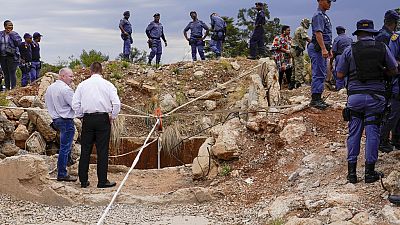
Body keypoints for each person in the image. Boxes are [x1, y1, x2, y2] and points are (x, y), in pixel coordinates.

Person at [337, 19, 398, 184]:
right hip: (375, 98)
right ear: (372, 34)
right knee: (372, 133)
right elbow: (394, 70)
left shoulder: (350, 50)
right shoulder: (382, 47)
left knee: (354, 132)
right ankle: (370, 173)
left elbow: (340, 75)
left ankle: (351, 174)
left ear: (358, 35)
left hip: (355, 99)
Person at [72, 62, 121, 188]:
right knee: (102, 151)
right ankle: (102, 181)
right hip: (103, 119)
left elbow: (75, 104)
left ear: (90, 71)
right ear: (101, 71)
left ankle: (83, 181)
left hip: (88, 119)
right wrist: (112, 116)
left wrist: (81, 115)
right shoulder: (108, 85)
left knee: (85, 150)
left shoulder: (83, 85)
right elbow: (116, 103)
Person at [45, 68, 77, 182]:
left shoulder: (50, 88)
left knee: (64, 145)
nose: (72, 79)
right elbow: (75, 105)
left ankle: (69, 162)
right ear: (62, 76)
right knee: (65, 147)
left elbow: (46, 104)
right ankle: (62, 173)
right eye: (70, 76)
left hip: (55, 120)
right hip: (65, 120)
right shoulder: (66, 90)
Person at [308, 0, 335, 110]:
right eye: (328, 1)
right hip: (317, 48)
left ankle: (318, 97)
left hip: (322, 48)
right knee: (318, 73)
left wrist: (328, 49)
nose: (330, 3)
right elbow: (318, 33)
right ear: (320, 1)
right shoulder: (318, 15)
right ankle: (315, 99)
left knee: (322, 73)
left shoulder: (324, 15)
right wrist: (324, 48)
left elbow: (326, 34)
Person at [379, 30, 400, 153]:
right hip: (397, 81)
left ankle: (397, 140)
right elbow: (391, 61)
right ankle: (383, 140)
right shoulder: (397, 37)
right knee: (393, 113)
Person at [0, 20, 22, 90]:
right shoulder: (1, 34)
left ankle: (13, 89)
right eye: (8, 26)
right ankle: (7, 88)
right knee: (5, 73)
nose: (10, 27)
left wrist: (12, 34)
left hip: (12, 56)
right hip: (2, 56)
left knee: (12, 72)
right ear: (5, 26)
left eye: (11, 26)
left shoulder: (15, 34)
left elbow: (18, 44)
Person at [290, 18, 311, 88]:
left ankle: (292, 83)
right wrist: (314, 42)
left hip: (293, 49)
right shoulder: (302, 29)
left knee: (294, 66)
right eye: (307, 23)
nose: (308, 25)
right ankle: (299, 83)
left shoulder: (298, 28)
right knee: (299, 66)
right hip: (297, 50)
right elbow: (306, 38)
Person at [331, 26, 353, 90]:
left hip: (339, 56)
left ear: (337, 31)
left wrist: (331, 62)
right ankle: (347, 87)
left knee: (339, 72)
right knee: (348, 72)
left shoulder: (337, 39)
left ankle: (339, 87)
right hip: (349, 56)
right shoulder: (350, 38)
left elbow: (334, 51)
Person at [273, 25, 293, 89]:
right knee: (280, 72)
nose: (289, 31)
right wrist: (284, 50)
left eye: (289, 30)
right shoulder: (278, 38)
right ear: (284, 31)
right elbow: (274, 46)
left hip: (288, 58)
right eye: (288, 30)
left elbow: (292, 46)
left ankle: (289, 85)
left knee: (289, 71)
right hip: (280, 58)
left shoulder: (289, 38)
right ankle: (278, 87)